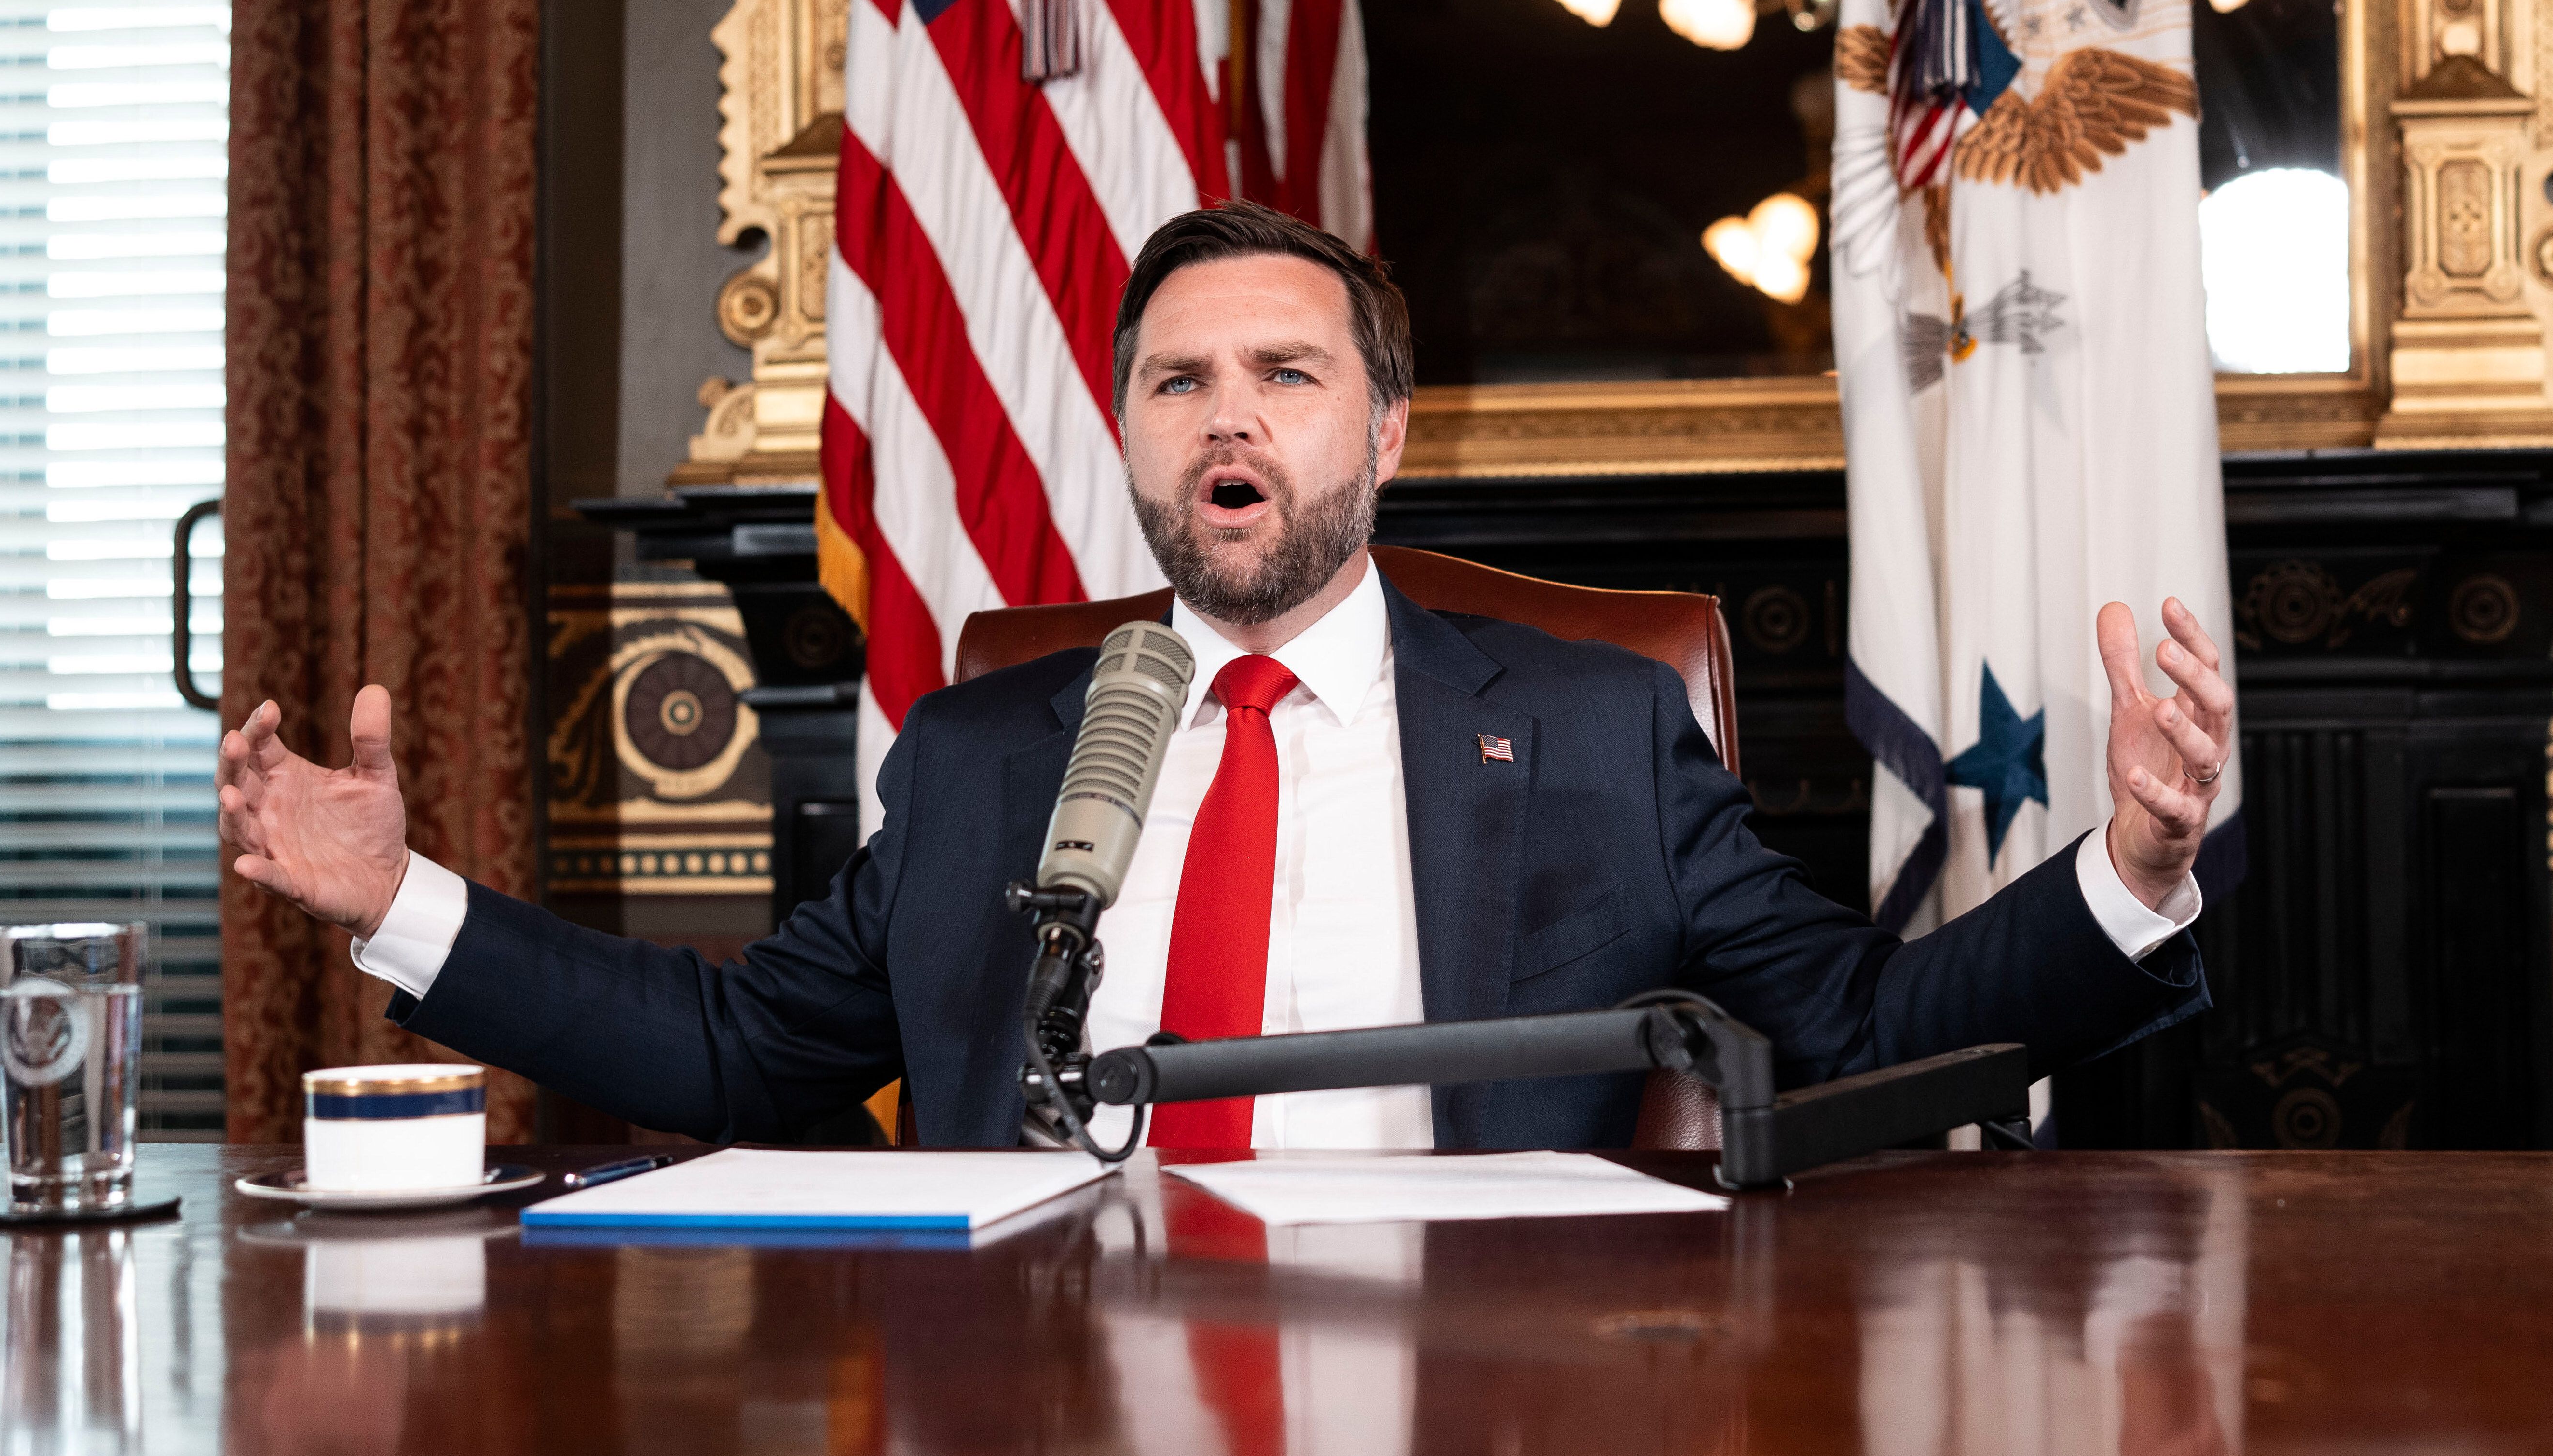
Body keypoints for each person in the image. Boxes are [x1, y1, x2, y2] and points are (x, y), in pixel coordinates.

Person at [216, 203, 2238, 1150]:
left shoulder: (1597, 734)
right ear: (1128, 436)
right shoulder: (987, 754)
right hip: (1044, 1424)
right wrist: (400, 897)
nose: (1229, 414)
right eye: (1178, 380)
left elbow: (1869, 1023)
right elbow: (750, 1054)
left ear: (1384, 431)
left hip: (1473, 1422)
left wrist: (2134, 866)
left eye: (1286, 371)